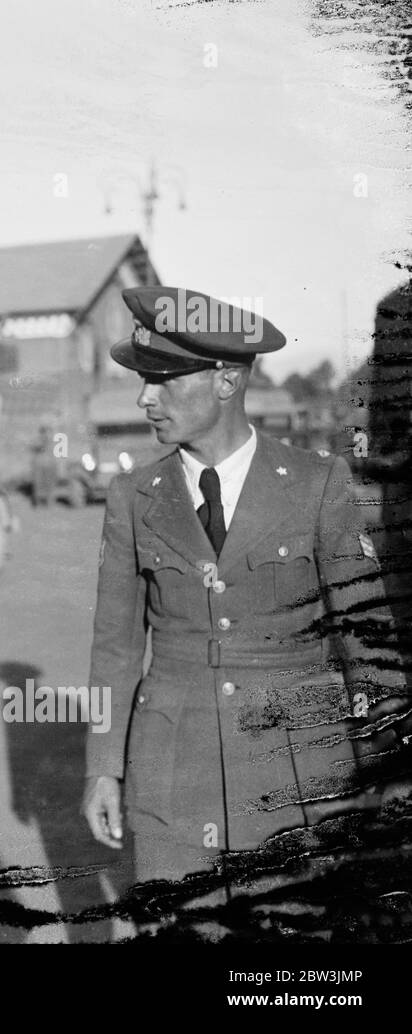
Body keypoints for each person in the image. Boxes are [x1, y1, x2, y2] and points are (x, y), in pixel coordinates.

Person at [82, 286, 404, 891]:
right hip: (173, 773)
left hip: (297, 773)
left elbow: (368, 641)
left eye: (163, 380)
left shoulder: (317, 483)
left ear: (226, 382)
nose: (143, 398)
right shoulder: (133, 497)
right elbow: (115, 650)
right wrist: (102, 768)